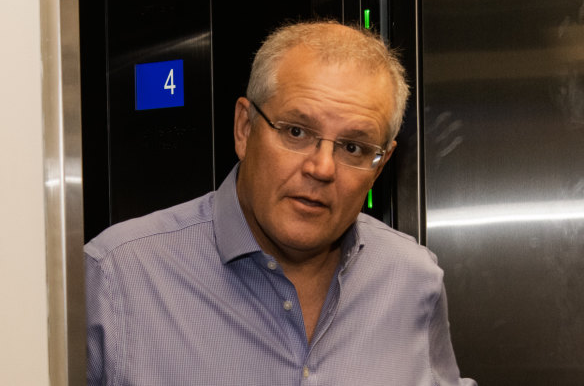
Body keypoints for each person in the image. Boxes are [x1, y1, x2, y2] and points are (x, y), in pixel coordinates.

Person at [85, 20, 476, 385]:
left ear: (380, 164)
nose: (322, 168)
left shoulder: (412, 280)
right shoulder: (116, 280)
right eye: (296, 131)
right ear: (244, 128)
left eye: (353, 147)